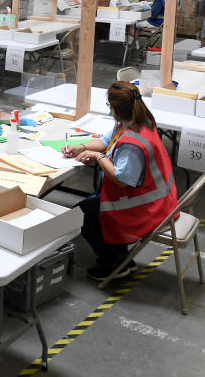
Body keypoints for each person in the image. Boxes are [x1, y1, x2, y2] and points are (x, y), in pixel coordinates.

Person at [63, 82, 178, 282]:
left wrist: (99, 158)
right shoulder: (136, 121)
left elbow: (122, 179)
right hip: (158, 199)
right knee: (90, 207)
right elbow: (106, 141)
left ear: (115, 110)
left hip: (145, 207)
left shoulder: (132, 142)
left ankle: (113, 262)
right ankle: (119, 255)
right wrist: (80, 147)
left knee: (80, 215)